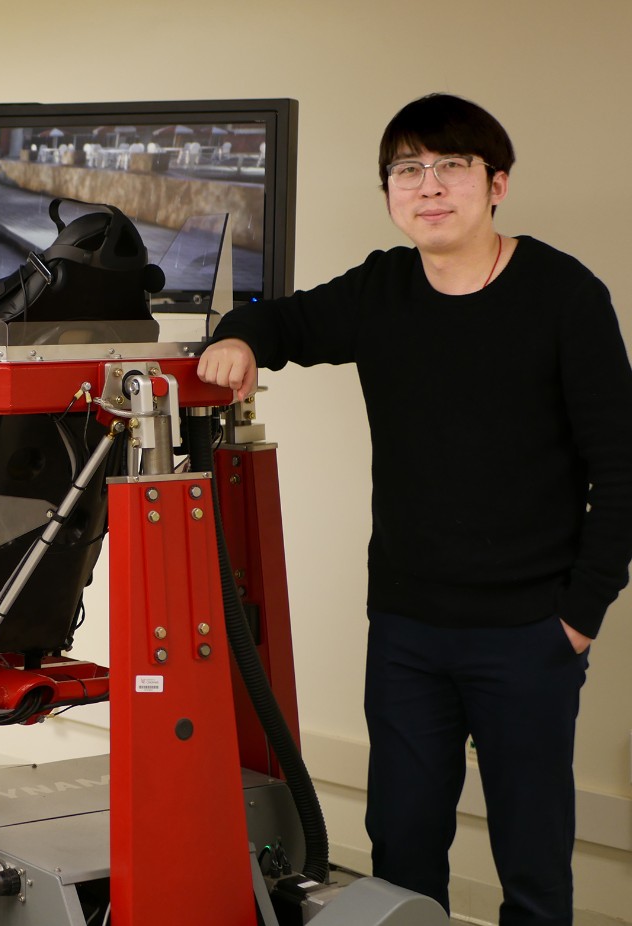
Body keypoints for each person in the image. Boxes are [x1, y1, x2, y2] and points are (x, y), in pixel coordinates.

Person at [197, 93, 632, 925]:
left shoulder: (565, 296)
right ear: (391, 192)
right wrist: (240, 339)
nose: (428, 186)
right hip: (407, 631)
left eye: (450, 166)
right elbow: (278, 320)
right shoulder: (384, 287)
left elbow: (621, 469)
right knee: (400, 852)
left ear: (497, 183)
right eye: (407, 170)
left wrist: (579, 616)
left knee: (533, 861)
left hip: (530, 632)